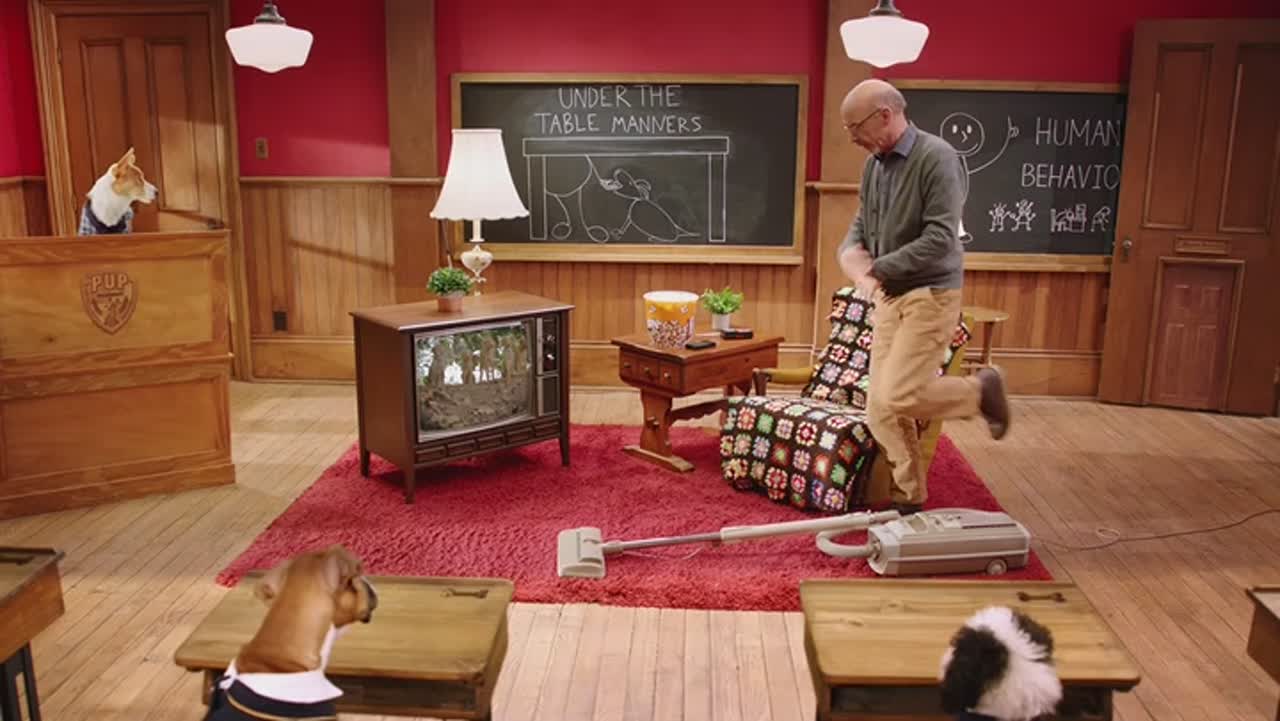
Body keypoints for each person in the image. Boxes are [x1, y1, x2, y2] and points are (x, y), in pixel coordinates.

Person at [836, 78, 1010, 515]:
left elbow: (940, 238)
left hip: (930, 293)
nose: (852, 138)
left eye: (855, 127)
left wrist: (877, 267)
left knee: (900, 394)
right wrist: (850, 252)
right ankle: (908, 498)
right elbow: (862, 225)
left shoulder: (938, 158)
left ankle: (980, 392)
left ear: (885, 115)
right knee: (881, 410)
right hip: (890, 297)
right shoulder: (874, 166)